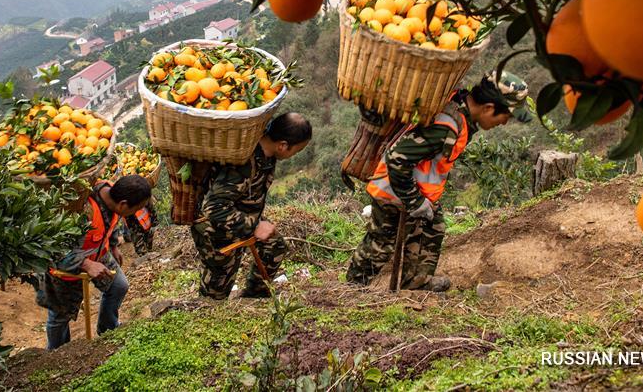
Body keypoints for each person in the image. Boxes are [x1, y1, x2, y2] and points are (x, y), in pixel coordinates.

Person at [346, 71, 529, 291]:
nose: (504, 123)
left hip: (417, 191)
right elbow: (396, 159)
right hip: (394, 191)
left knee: (432, 228)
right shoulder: (445, 127)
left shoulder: (461, 112)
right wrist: (415, 202)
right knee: (382, 242)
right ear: (489, 108)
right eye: (505, 117)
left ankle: (416, 282)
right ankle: (353, 287)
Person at [191, 112, 312, 300]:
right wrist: (254, 226)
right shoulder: (244, 163)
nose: (293, 155)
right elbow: (214, 208)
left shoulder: (267, 154)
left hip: (240, 216)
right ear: (283, 146)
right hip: (215, 228)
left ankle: (255, 296)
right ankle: (205, 310)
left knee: (274, 245)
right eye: (295, 151)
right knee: (217, 290)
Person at [35, 175, 151, 349]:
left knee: (118, 286)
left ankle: (107, 329)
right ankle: (57, 353)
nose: (135, 213)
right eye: (136, 209)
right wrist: (87, 265)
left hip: (98, 254)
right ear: (123, 204)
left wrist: (113, 245)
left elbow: (111, 221)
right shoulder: (83, 211)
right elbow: (54, 248)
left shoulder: (112, 195)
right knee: (59, 316)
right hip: (65, 264)